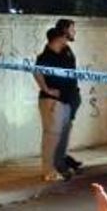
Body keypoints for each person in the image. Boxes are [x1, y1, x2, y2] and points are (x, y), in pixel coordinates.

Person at [34, 27, 79, 181]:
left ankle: (60, 166)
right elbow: (37, 72)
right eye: (65, 37)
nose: (67, 39)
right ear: (58, 38)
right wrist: (46, 89)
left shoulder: (65, 53)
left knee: (62, 137)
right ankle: (48, 171)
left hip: (66, 100)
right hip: (52, 102)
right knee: (52, 137)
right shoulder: (46, 56)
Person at [54, 18, 83, 172]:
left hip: (71, 95)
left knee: (66, 131)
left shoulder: (67, 49)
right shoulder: (57, 49)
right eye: (72, 29)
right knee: (60, 131)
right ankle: (59, 162)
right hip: (64, 98)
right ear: (65, 30)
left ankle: (63, 157)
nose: (74, 32)